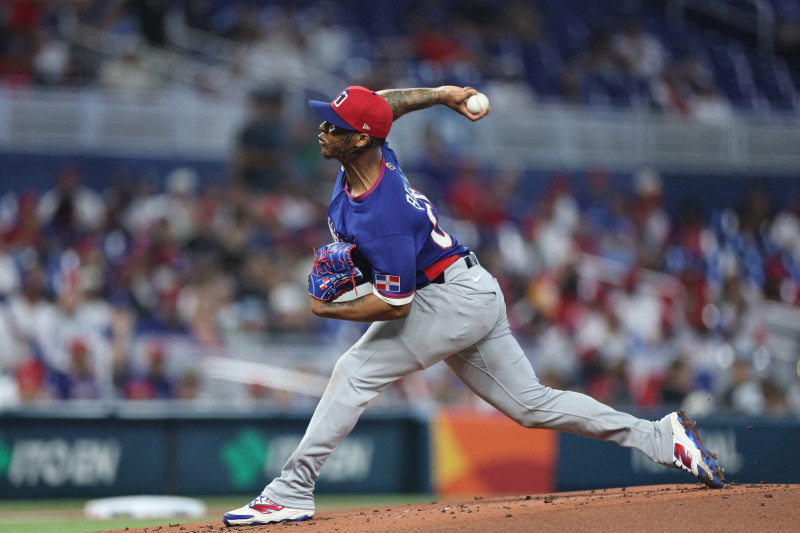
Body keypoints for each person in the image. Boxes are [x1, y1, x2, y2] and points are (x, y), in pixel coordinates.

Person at [223, 85, 724, 527]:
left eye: (334, 125)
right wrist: (442, 94)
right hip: (468, 287)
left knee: (354, 372)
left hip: (449, 299)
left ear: (358, 140)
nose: (322, 129)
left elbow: (396, 306)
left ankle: (290, 491)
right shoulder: (373, 152)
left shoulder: (384, 212)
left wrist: (327, 310)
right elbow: (384, 106)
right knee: (531, 405)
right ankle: (661, 437)